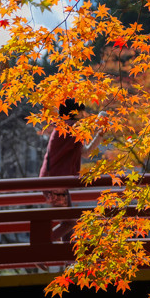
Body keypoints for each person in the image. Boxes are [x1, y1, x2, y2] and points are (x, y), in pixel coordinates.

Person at [39, 99, 103, 242]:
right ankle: (40, 246)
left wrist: (100, 133)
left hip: (55, 181)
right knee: (69, 223)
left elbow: (85, 152)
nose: (84, 116)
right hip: (55, 183)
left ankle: (68, 261)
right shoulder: (69, 128)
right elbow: (85, 148)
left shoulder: (65, 128)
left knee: (67, 225)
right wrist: (100, 121)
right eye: (82, 113)